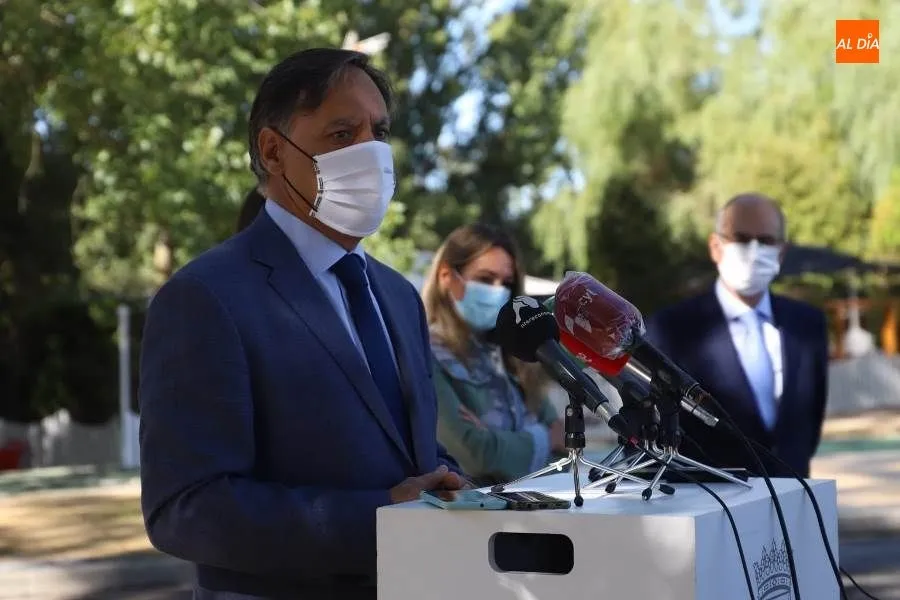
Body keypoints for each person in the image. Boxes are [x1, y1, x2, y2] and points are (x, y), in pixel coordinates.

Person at [138, 48, 465, 600]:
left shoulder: (399, 296)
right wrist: (380, 516)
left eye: (379, 131)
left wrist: (452, 485)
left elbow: (404, 452)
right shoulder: (204, 298)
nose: (371, 151)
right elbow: (184, 508)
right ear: (273, 151)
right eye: (342, 134)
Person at [644, 193, 828, 477]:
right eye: (741, 238)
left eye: (765, 240)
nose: (753, 250)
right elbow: (657, 431)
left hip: (794, 495)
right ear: (716, 247)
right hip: (713, 497)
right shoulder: (671, 329)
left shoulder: (807, 324)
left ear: (781, 252)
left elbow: (809, 424)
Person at [422, 223, 563, 485]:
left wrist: (498, 439)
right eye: (485, 279)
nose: (498, 291)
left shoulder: (513, 355)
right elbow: (475, 455)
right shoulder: (425, 354)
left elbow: (563, 439)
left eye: (506, 283)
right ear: (446, 277)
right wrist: (544, 438)